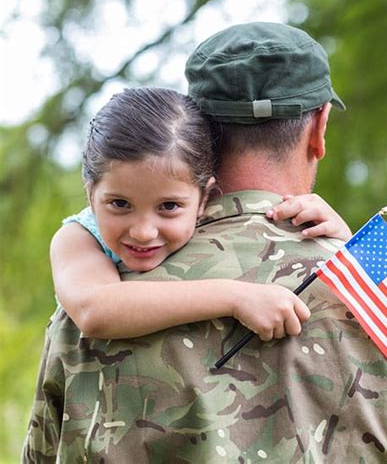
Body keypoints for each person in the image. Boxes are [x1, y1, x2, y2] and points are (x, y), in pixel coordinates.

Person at [23, 23, 387, 463]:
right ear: (319, 128)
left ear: (197, 130)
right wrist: (348, 252)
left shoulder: (110, 286)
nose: (143, 231)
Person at [50, 86, 350, 342]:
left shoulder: (213, 223)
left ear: (205, 197)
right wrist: (236, 297)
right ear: (90, 193)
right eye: (119, 204)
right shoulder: (78, 238)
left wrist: (343, 241)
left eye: (168, 207)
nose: (143, 231)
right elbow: (95, 310)